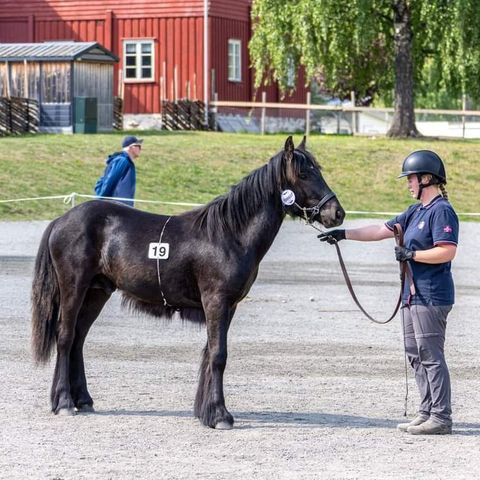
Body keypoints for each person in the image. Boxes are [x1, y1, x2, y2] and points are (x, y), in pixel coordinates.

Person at [318, 150, 459, 435]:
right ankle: (426, 410)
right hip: (411, 295)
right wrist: (344, 234)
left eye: (411, 179)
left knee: (430, 354)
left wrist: (412, 254)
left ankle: (441, 417)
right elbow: (380, 230)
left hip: (431, 295)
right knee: (414, 352)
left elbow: (447, 251)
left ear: (427, 179)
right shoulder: (414, 212)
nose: (408, 184)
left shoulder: (441, 211)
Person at [94, 135, 143, 207]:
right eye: (138, 146)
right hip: (117, 207)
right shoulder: (122, 160)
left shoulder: (126, 161)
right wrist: (99, 200)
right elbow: (110, 180)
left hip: (122, 206)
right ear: (131, 147)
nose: (140, 149)